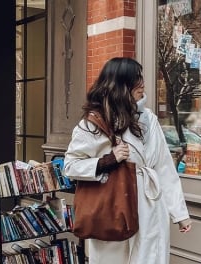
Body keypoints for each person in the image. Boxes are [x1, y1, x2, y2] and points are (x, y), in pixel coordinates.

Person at [64, 57, 192, 264]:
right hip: (113, 204)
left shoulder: (148, 118)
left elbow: (164, 166)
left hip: (149, 205)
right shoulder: (94, 122)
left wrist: (179, 214)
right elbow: (70, 166)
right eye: (136, 80)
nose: (142, 85)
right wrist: (108, 160)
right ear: (120, 85)